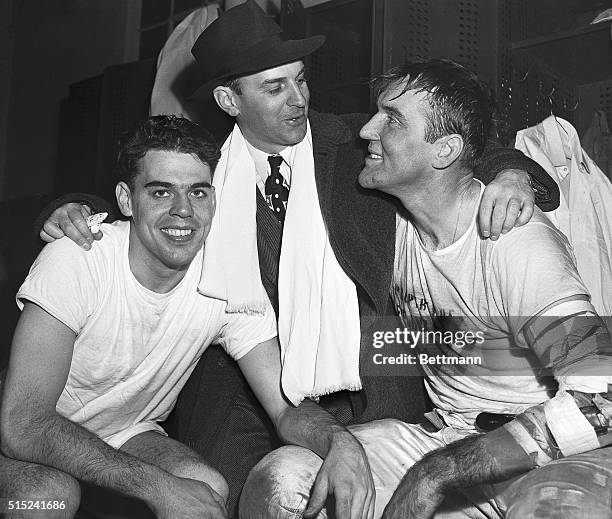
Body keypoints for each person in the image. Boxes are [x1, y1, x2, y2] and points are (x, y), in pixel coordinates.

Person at [36, 2, 560, 516]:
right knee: (245, 495)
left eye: (301, 79)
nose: (297, 100)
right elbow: (153, 205)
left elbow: (456, 146)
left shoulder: (362, 143)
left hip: (372, 380)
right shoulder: (207, 172)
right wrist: (76, 211)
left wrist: (512, 174)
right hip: (248, 389)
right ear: (228, 98)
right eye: (274, 87)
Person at [242, 58, 612, 519]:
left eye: (392, 119)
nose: (367, 130)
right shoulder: (395, 225)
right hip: (449, 435)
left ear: (444, 150)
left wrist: (436, 473)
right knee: (283, 482)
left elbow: (603, 401)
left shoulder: (516, 241)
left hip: (548, 452)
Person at [0, 115, 374, 519]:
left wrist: (341, 442)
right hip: (22, 430)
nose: (183, 211)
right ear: (126, 200)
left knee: (206, 489)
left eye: (198, 192)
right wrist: (158, 487)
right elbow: (24, 424)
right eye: (161, 192)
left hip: (125, 433)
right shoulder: (79, 258)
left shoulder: (226, 277)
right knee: (46, 497)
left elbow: (286, 406)